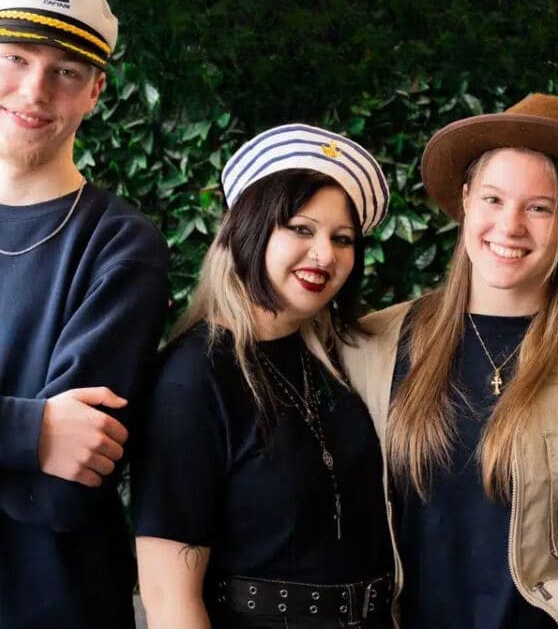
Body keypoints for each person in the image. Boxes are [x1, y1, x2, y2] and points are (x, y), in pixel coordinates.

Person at [340, 94, 558, 629]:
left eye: (539, 208)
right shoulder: (373, 346)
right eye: (493, 199)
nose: (510, 225)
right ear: (466, 202)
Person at [133, 124, 395, 629]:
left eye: (343, 239)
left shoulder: (340, 361)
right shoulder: (192, 380)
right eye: (301, 229)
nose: (325, 255)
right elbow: (169, 599)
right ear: (249, 228)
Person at [0, 0, 170, 627]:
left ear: (96, 91)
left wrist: (44, 447)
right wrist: (30, 430)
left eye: (66, 71)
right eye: (15, 58)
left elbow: (60, 493)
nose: (34, 90)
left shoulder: (122, 247)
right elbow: (44, 451)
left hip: (55, 608)